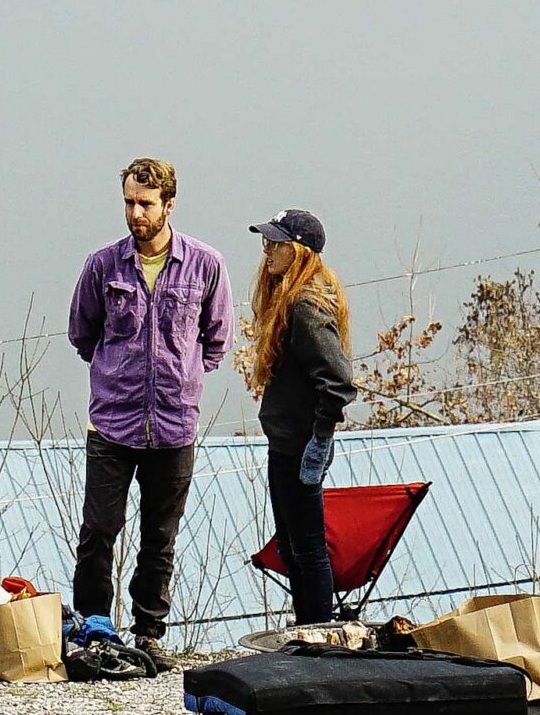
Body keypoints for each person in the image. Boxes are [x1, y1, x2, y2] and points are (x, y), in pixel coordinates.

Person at [67, 158, 235, 664]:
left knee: (159, 536)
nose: (135, 213)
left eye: (145, 203)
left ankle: (149, 630)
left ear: (169, 205)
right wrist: (116, 375)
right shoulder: (103, 266)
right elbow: (83, 332)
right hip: (114, 423)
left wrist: (183, 379)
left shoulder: (206, 265)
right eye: (128, 202)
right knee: (99, 529)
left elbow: (217, 339)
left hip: (173, 424)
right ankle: (95, 623)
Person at [244, 211, 357, 625]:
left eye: (276, 244)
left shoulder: (307, 305)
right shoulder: (288, 300)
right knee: (291, 547)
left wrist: (322, 435)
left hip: (301, 443)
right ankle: (308, 627)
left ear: (299, 252)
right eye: (267, 243)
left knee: (308, 548)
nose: (267, 251)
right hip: (285, 441)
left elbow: (339, 379)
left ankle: (318, 631)